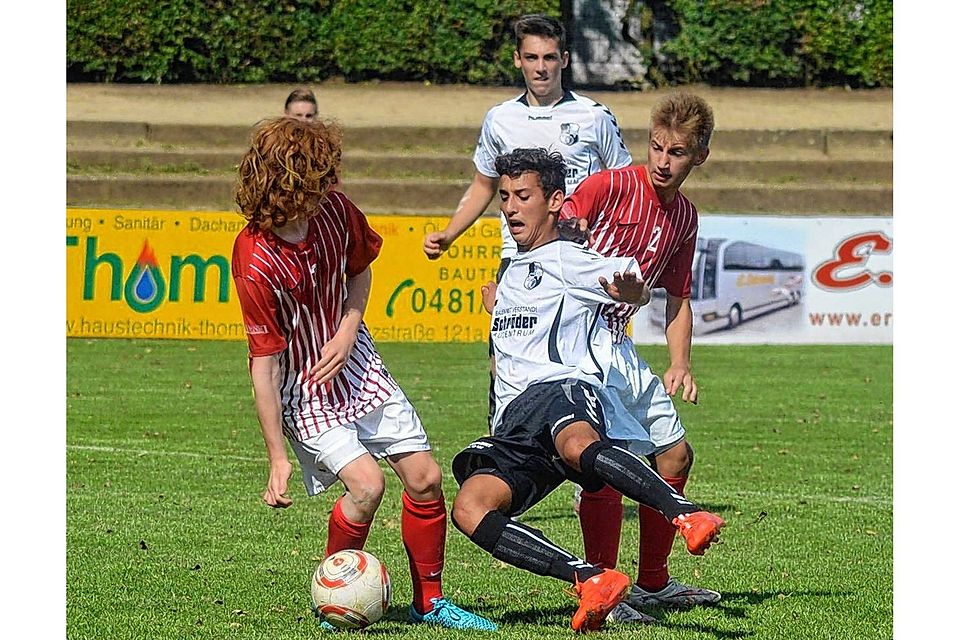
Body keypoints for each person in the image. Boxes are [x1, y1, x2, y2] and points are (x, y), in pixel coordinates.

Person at [230, 117, 496, 632]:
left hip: (359, 365)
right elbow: (263, 361)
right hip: (303, 389)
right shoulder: (255, 256)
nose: (332, 182)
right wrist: (277, 457)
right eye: (321, 175)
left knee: (425, 478)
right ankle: (334, 598)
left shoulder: (336, 211)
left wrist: (349, 328)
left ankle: (430, 603)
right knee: (367, 486)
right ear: (291, 179)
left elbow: (360, 270)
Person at [449, 147, 725, 633]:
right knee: (470, 507)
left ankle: (684, 514)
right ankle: (589, 578)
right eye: (506, 197)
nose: (510, 207)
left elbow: (626, 281)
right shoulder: (512, 270)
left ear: (555, 201)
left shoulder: (570, 259)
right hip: (516, 421)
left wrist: (630, 291)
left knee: (578, 444)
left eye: (523, 196)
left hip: (560, 391)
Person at [559, 91, 720, 612]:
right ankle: (602, 586)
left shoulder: (685, 217)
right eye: (656, 148)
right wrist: (569, 229)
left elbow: (678, 297)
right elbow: (559, 227)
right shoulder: (611, 184)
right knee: (608, 462)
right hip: (573, 339)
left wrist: (680, 363)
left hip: (616, 344)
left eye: (677, 153)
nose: (663, 162)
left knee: (674, 454)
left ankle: (652, 584)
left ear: (699, 156)